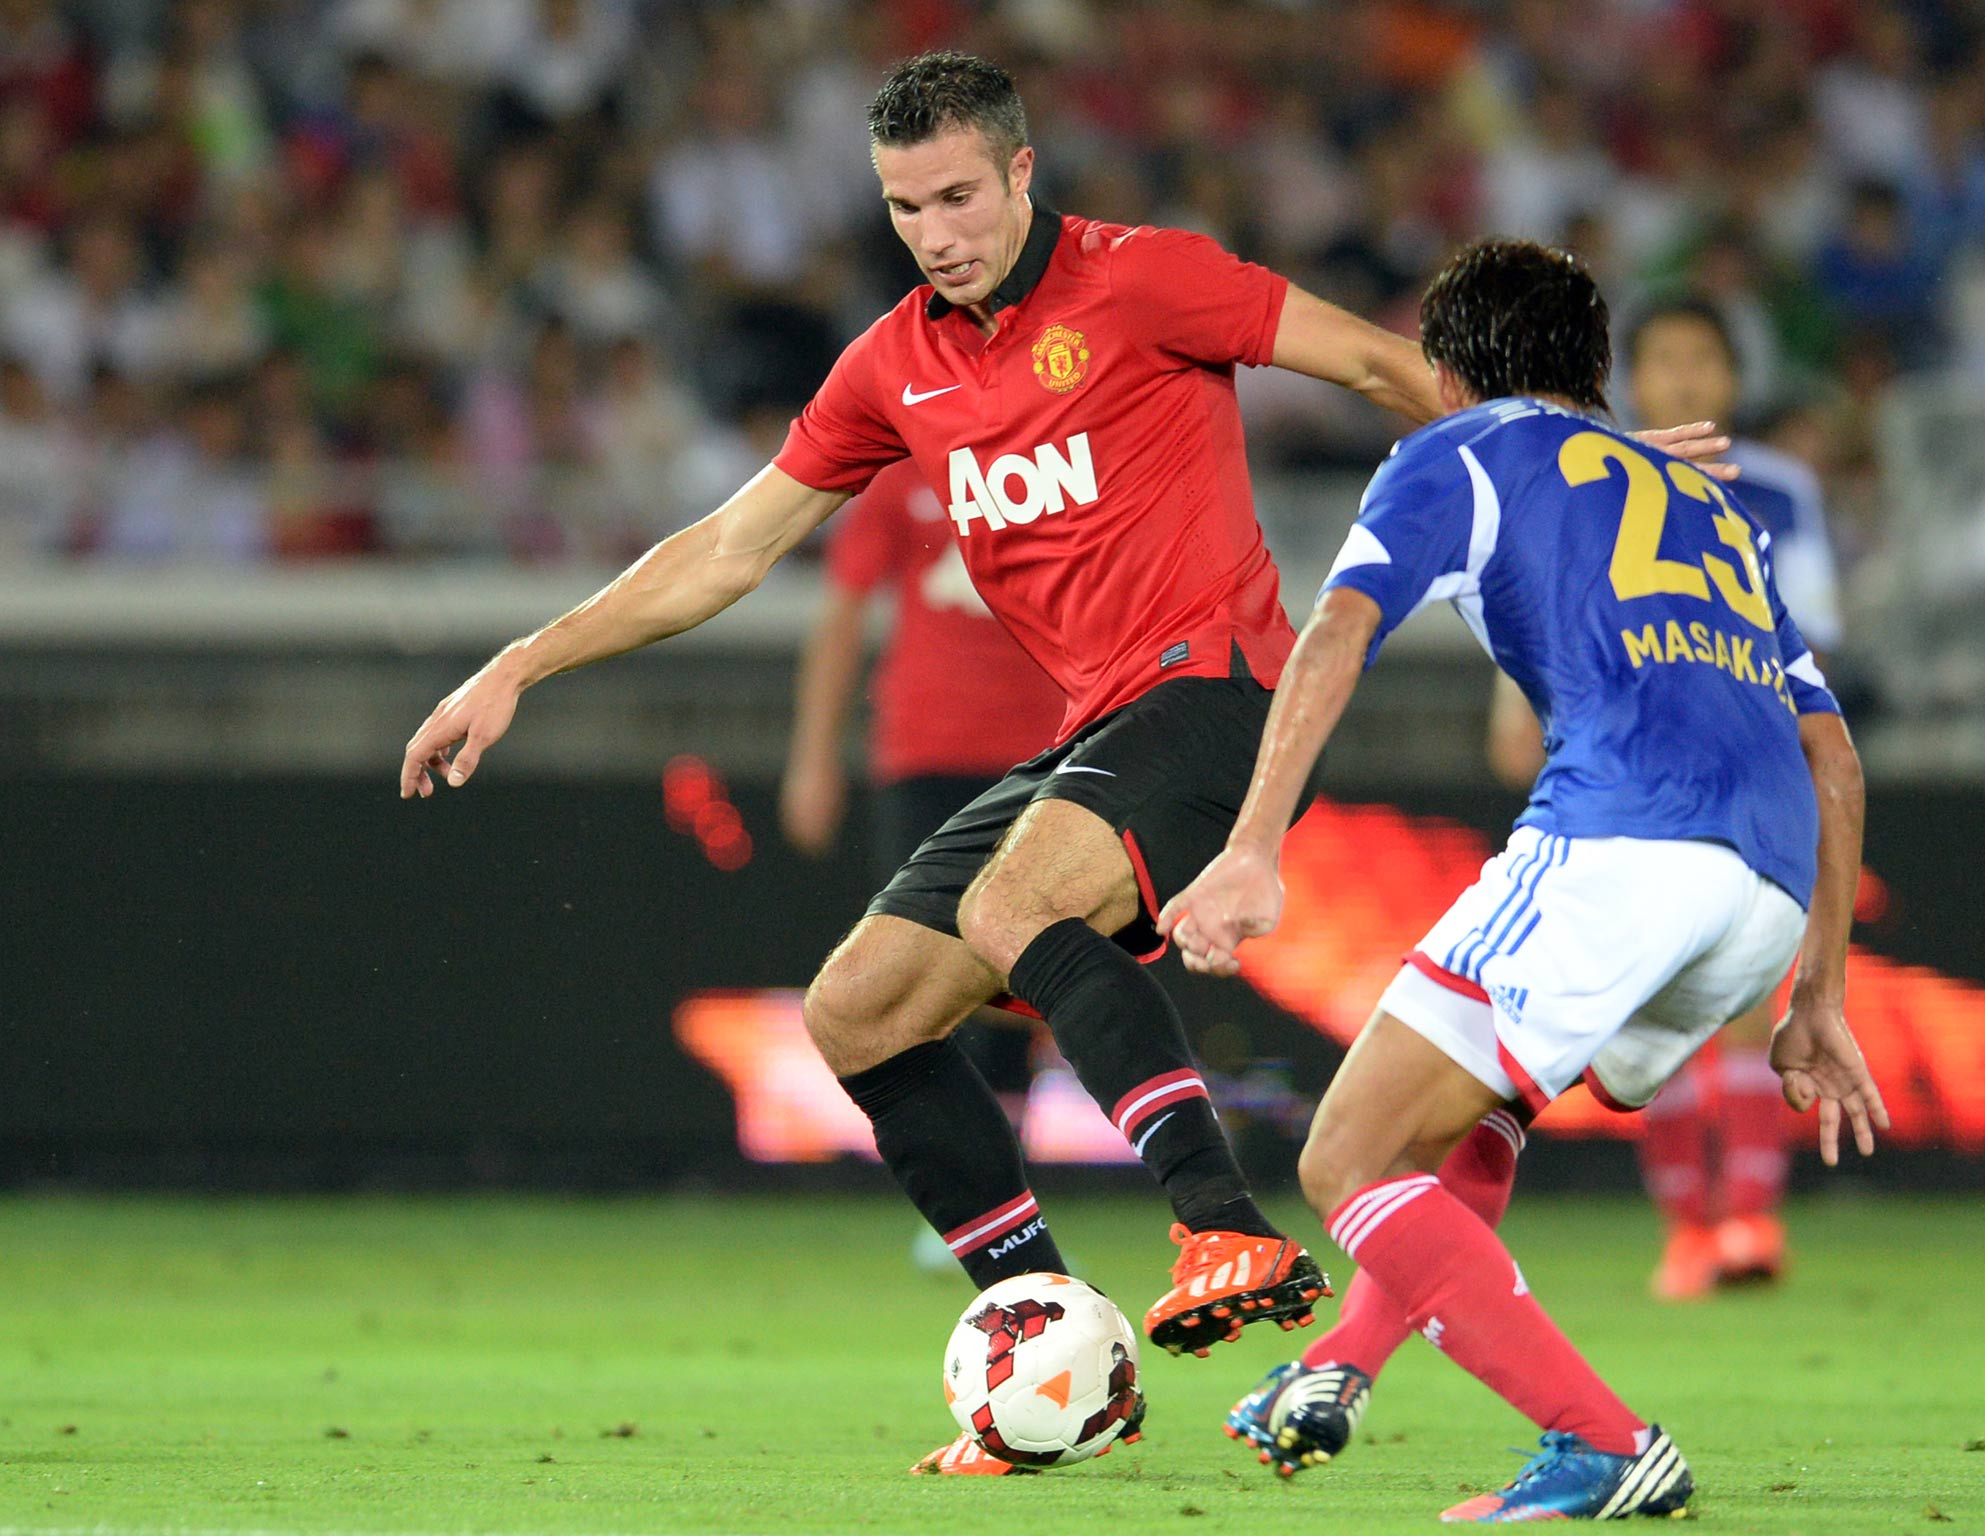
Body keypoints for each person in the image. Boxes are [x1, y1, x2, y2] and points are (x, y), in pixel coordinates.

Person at [398, 54, 1729, 1477]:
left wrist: (1587, 464)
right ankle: (1048, 1342)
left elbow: (1375, 362)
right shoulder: (891, 365)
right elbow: (730, 547)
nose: (936, 231)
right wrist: (521, 661)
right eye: (906, 207)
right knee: (856, 1012)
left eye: (960, 195)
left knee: (1008, 905)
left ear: (1023, 173)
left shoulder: (1147, 279)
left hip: (1222, 694)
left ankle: (1221, 1222)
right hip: (1093, 733)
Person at [1161, 239, 1886, 1521]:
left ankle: (1602, 1444)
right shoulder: (1709, 501)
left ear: (1443, 375)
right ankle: (1337, 1370)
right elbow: (1832, 752)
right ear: (1598, 373)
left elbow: (1336, 632)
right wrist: (1814, 985)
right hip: (1766, 884)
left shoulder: (1455, 450)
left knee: (1343, 1154)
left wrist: (1250, 844)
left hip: (1623, 835)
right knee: (1474, 1110)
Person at [1487, 293, 1845, 1300]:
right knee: (1654, 1020)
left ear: (1732, 377)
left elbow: (1818, 633)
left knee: (1737, 1012)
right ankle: (1690, 1227)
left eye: (1702, 359)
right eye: (1662, 361)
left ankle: (1751, 1223)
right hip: (1630, 787)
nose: (1683, 379)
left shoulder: (1775, 490)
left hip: (1746, 768)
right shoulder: (1584, 485)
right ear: (1630, 380)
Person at [778, 456, 1066, 1270]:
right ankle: (969, 1186)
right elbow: (842, 611)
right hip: (927, 748)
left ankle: (1002, 1190)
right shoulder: (903, 468)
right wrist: (813, 755)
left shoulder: (1055, 450)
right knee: (921, 970)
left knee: (1018, 974)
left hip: (1046, 747)